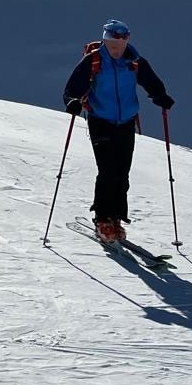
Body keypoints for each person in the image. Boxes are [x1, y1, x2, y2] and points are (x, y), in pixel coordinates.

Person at [63, 19, 175, 245]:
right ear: (105, 41)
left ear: (126, 41)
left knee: (122, 172)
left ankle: (116, 218)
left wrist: (160, 96)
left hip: (125, 123)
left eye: (119, 45)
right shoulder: (93, 60)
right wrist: (72, 101)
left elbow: (152, 83)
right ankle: (102, 218)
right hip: (100, 121)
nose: (115, 50)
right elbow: (72, 88)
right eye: (112, 45)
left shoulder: (134, 62)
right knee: (107, 171)